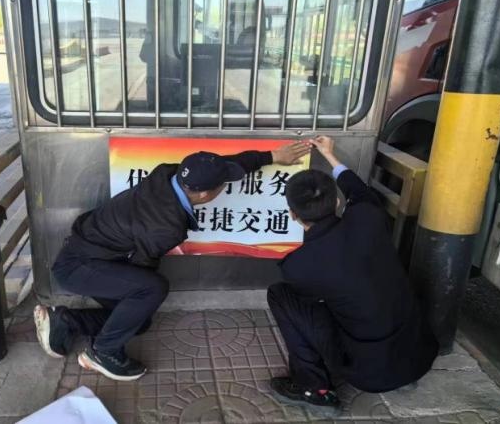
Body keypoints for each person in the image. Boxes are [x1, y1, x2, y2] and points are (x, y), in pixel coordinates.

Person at [34, 142, 310, 381]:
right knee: (152, 289)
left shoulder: (169, 174)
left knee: (139, 321)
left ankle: (66, 321)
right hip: (80, 267)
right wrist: (138, 298)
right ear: (204, 195)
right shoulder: (166, 225)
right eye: (223, 185)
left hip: (88, 253)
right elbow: (142, 271)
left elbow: (224, 165)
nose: (225, 186)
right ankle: (103, 352)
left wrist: (272, 156)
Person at [268, 136, 438, 414]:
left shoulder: (298, 266)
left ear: (293, 215)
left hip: (368, 373)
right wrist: (330, 155)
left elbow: (315, 302)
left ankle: (315, 389)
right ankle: (400, 374)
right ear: (337, 201)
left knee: (280, 295)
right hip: (418, 356)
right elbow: (356, 189)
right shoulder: (369, 215)